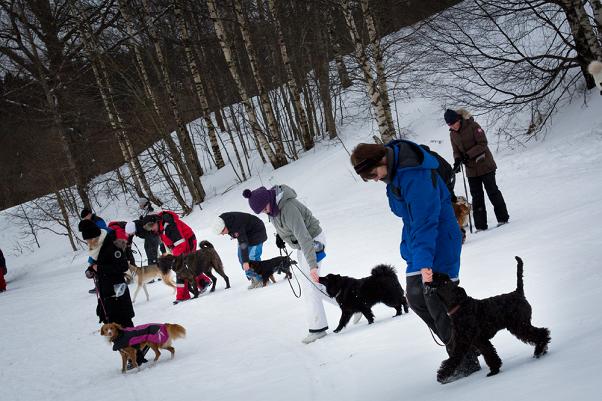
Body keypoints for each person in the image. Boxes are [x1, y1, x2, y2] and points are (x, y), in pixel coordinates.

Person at [350, 139, 480, 382]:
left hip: (439, 241)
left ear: (381, 160)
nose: (375, 179)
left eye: (374, 174)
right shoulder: (395, 173)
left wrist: (424, 262)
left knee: (438, 301)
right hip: (418, 243)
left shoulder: (415, 175)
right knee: (416, 297)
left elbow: (425, 221)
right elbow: (403, 213)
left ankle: (465, 357)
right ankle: (466, 344)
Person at [243, 185, 333, 344]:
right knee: (312, 286)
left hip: (312, 242)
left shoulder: (288, 208)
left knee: (311, 286)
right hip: (302, 245)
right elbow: (282, 225)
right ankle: (349, 306)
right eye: (262, 211)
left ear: (268, 200)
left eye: (264, 209)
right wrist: (281, 237)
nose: (265, 212)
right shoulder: (273, 208)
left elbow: (304, 236)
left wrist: (312, 265)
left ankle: (318, 328)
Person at [78, 219, 146, 367]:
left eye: (89, 239)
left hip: (117, 294)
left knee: (125, 325)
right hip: (107, 293)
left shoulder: (111, 245)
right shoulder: (97, 248)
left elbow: (121, 266)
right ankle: (134, 353)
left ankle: (137, 355)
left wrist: (99, 269)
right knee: (115, 325)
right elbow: (98, 266)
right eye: (87, 240)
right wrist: (91, 270)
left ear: (95, 237)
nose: (88, 242)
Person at [444, 109, 509, 231]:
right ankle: (480, 226)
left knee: (492, 191)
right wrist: (457, 160)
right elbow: (456, 151)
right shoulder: (452, 134)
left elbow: (483, 144)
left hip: (485, 164)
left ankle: (503, 218)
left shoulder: (473, 126)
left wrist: (468, 155)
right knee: (476, 196)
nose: (452, 126)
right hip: (471, 169)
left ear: (458, 119)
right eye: (449, 124)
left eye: (453, 123)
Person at [142, 211, 211, 303]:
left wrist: (177, 259)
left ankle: (183, 295)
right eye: (149, 228)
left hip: (187, 242)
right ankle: (203, 282)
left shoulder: (168, 225)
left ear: (155, 222)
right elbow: (169, 240)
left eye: (151, 227)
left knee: (182, 268)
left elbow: (180, 242)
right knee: (184, 268)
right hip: (179, 245)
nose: (151, 230)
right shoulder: (161, 227)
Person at [211, 212, 267, 289]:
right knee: (241, 257)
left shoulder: (236, 225)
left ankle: (262, 279)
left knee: (251, 258)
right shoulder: (224, 221)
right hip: (245, 234)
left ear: (224, 227)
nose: (223, 234)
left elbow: (243, 242)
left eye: (222, 232)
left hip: (257, 232)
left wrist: (246, 262)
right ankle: (254, 279)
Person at [81, 208, 111, 294]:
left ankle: (100, 285)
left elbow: (103, 232)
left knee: (99, 266)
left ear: (89, 214)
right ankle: (98, 285)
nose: (85, 219)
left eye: (85, 217)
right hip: (96, 246)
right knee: (94, 264)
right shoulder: (90, 222)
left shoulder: (98, 220)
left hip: (103, 245)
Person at [135, 198, 161, 266]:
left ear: (144, 204)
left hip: (153, 235)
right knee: (150, 252)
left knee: (152, 254)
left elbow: (153, 220)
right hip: (149, 236)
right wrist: (142, 220)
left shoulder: (151, 209)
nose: (140, 206)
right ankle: (154, 266)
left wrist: (143, 221)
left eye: (140, 205)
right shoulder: (146, 210)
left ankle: (155, 269)